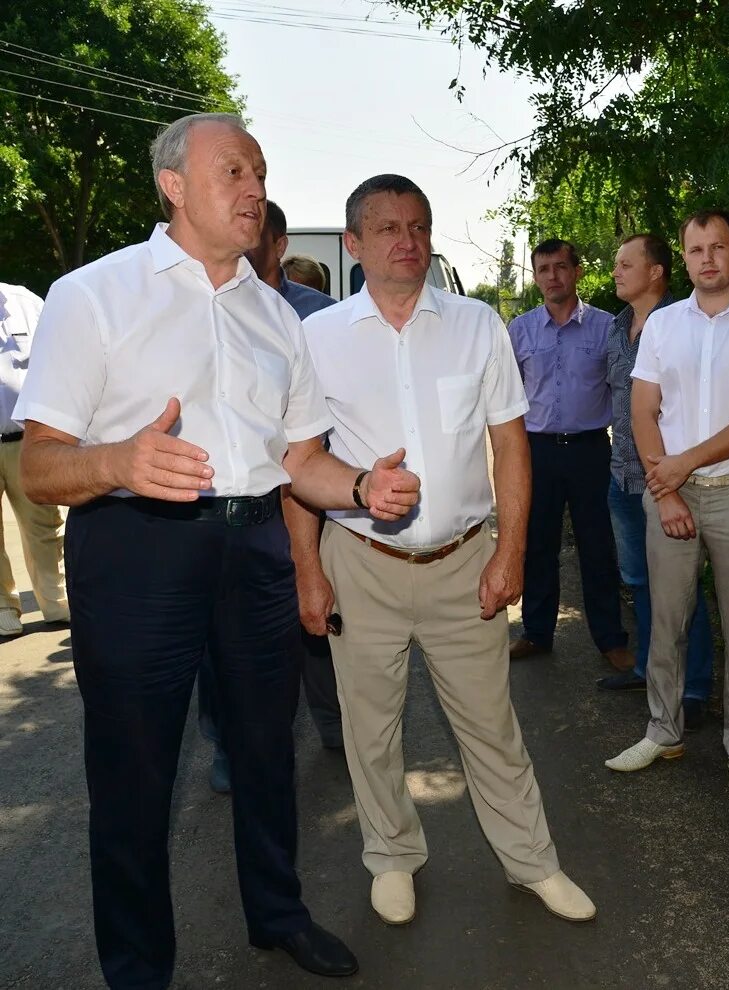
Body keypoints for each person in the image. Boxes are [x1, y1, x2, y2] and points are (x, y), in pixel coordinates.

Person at [14, 112, 422, 988]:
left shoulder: (277, 316)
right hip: (135, 551)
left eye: (261, 172)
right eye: (234, 170)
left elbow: (300, 460)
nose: (255, 189)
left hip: (256, 552)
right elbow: (42, 463)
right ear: (173, 184)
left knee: (266, 752)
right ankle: (137, 970)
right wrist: (118, 460)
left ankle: (277, 915)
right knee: (134, 777)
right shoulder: (95, 294)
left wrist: (360, 489)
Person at [287, 173, 595, 928]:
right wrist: (309, 574)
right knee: (370, 729)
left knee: (492, 727)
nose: (409, 241)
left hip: (463, 563)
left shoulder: (476, 324)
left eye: (419, 226)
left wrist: (511, 552)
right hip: (360, 564)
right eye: (388, 228)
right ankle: (390, 857)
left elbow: (509, 444)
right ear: (354, 245)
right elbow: (294, 462)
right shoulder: (315, 338)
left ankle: (533, 863)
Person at [605, 209, 729, 802]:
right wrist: (667, 490)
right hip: (670, 494)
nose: (708, 259)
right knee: (664, 621)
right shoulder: (663, 326)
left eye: (718, 247)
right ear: (684, 259)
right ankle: (662, 731)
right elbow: (642, 411)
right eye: (696, 250)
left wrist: (682, 463)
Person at [195, 201, 342, 797]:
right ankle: (230, 744)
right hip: (242, 505)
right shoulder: (210, 308)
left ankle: (334, 726)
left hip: (314, 490)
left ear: (278, 244)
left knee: (315, 615)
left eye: (259, 233)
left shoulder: (319, 316)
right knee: (222, 640)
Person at [596, 233, 715, 729]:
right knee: (640, 582)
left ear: (656, 272)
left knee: (684, 586)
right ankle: (649, 669)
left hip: (670, 480)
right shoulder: (617, 326)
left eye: (626, 264)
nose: (616, 272)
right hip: (623, 473)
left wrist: (668, 477)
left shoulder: (684, 324)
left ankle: (694, 687)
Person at [506, 239, 631, 670]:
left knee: (598, 546)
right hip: (535, 452)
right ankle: (536, 633)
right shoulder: (519, 330)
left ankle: (611, 639)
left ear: (577, 271)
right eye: (543, 269)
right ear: (536, 276)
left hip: (590, 451)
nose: (552, 276)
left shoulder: (608, 327)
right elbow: (507, 398)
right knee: (538, 544)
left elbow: (624, 392)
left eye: (561, 267)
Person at [0, 282, 68, 636]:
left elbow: (57, 361)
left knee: (43, 524)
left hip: (25, 437)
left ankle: (56, 600)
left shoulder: (26, 301)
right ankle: (3, 607)